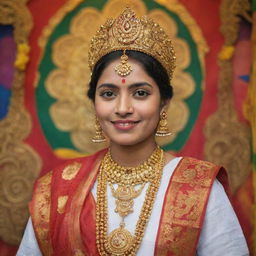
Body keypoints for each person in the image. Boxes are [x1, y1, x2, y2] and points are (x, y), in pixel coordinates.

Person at [17, 7, 249, 256]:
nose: (123, 108)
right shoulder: (57, 190)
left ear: (163, 102)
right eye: (108, 93)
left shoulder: (199, 188)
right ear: (94, 103)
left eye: (141, 93)